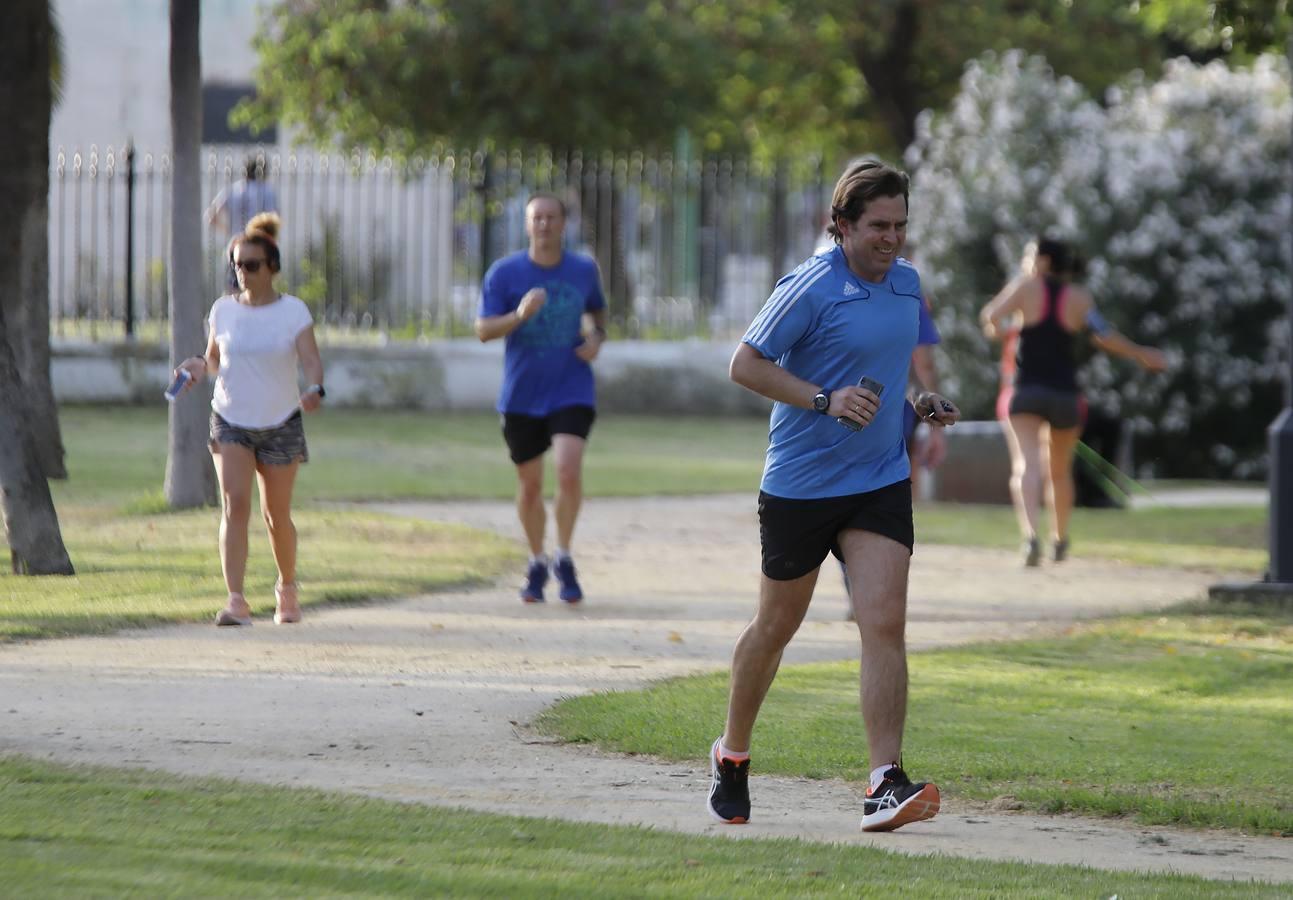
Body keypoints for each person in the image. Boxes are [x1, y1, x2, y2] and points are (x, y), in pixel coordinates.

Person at [708, 159, 959, 833]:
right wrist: (822, 400)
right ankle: (732, 755)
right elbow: (744, 364)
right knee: (775, 627)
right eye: (878, 225)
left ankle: (884, 781)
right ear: (841, 225)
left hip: (877, 480)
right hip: (799, 486)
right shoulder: (810, 285)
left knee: (882, 621)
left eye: (901, 225)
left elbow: (878, 366)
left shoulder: (906, 286)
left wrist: (919, 400)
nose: (892, 238)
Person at [173, 213, 324, 626]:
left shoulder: (293, 312)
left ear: (271, 267)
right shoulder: (223, 310)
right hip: (230, 418)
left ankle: (287, 588)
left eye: (252, 265)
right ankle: (236, 601)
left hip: (281, 421)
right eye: (237, 265)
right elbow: (214, 360)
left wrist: (314, 389)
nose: (243, 272)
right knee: (234, 505)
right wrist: (197, 367)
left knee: (276, 514)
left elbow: (311, 360)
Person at [980, 238, 1166, 566]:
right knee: (1060, 471)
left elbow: (991, 316)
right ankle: (1059, 539)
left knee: (1026, 465)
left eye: (1028, 255)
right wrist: (1141, 354)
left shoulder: (1025, 287)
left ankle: (1030, 538)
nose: (1025, 261)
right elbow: (1104, 335)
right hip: (1065, 394)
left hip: (1026, 392)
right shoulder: (1080, 298)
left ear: (1043, 260)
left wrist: (1005, 331)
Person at [475, 193, 607, 604]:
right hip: (522, 394)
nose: (544, 225)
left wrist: (596, 337)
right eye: (537, 218)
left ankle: (564, 555)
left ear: (564, 224)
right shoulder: (505, 273)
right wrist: (519, 316)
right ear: (527, 225)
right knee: (530, 487)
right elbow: (482, 330)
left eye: (552, 217)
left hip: (572, 387)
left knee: (568, 470)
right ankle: (537, 560)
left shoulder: (583, 269)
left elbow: (598, 314)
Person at [206, 156, 280, 293]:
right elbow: (274, 218)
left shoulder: (233, 189)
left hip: (236, 244)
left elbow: (211, 216)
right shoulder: (267, 190)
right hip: (259, 247)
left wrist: (227, 230)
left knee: (234, 288)